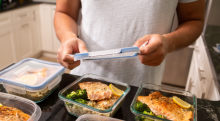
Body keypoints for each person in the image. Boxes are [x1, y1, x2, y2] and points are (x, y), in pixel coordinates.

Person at [54, 0, 205, 86]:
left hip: (141, 89)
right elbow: (64, 12)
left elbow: (194, 20)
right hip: (83, 81)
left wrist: (168, 43)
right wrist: (68, 37)